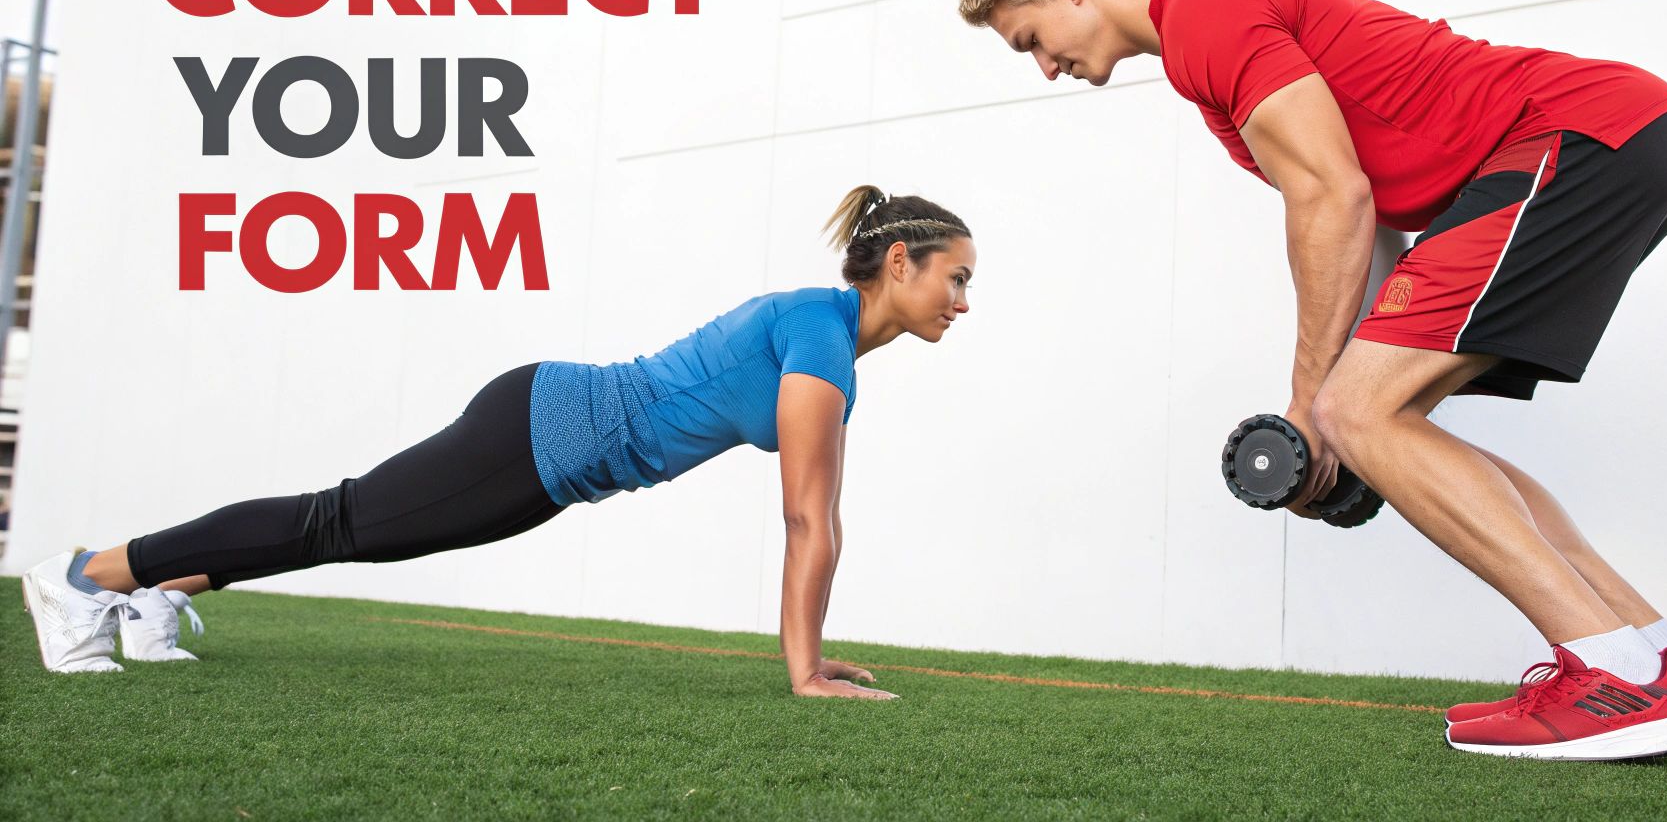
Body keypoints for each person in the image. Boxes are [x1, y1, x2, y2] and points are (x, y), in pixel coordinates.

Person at [958, 0, 1667, 761]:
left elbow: (1333, 198)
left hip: (1577, 135)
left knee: (1359, 413)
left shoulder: (1204, 10)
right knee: (1381, 415)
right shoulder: (1204, 46)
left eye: (1029, 39)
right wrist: (1338, 400)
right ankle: (1658, 652)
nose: (1045, 69)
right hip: (1612, 136)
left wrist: (1313, 407)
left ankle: (1612, 674)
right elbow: (1368, 214)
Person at [23, 185, 975, 701]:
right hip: (544, 431)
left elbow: (816, 515)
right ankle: (88, 575)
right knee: (338, 521)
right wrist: (804, 670)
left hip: (553, 462)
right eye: (955, 279)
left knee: (347, 526)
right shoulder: (819, 336)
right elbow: (811, 520)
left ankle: (147, 595)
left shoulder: (826, 340)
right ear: (900, 263)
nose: (962, 303)